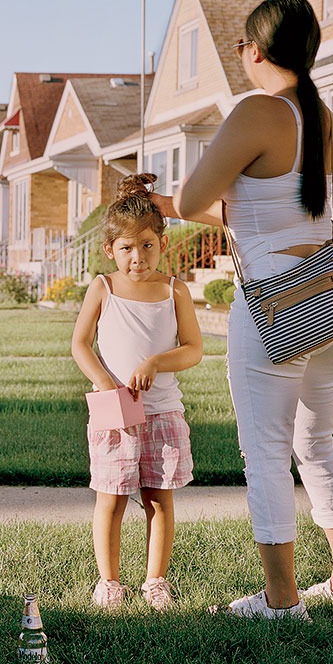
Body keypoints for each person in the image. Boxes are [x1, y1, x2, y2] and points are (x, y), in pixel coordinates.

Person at [152, 0, 333, 620]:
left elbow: (198, 198)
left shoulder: (256, 110)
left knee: (266, 449)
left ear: (253, 51)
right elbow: (270, 209)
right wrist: (175, 204)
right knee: (315, 437)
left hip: (278, 305)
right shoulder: (321, 115)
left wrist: (170, 202)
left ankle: (281, 600)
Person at [70, 174, 203, 611]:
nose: (138, 257)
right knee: (111, 499)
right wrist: (106, 383)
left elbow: (193, 349)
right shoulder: (103, 287)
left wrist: (155, 363)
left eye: (147, 245)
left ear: (162, 244)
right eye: (126, 248)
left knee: (158, 500)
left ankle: (155, 581)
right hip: (115, 413)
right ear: (110, 250)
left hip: (162, 412)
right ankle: (109, 582)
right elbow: (79, 343)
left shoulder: (174, 290)